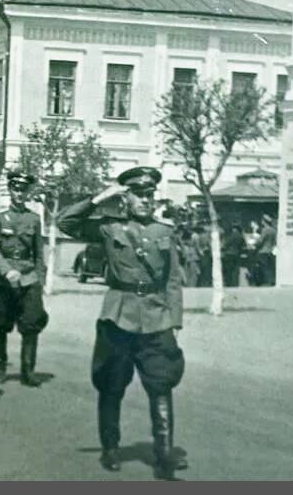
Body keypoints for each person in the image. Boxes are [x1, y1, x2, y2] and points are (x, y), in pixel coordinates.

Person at [58, 166, 186, 479]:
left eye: (149, 194)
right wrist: (100, 198)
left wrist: (175, 318)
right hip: (118, 316)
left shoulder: (164, 232)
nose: (145, 200)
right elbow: (66, 222)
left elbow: (172, 279)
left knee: (161, 383)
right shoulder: (109, 228)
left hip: (156, 316)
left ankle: (164, 453)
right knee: (111, 383)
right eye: (138, 195)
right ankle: (111, 448)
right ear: (126, 198)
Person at [0, 170, 48, 385]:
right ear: (10, 190)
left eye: (23, 190)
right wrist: (5, 270)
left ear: (28, 192)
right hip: (1, 279)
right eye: (15, 189)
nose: (19, 194)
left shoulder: (34, 218)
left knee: (32, 322)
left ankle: (28, 371)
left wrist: (40, 280)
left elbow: (38, 252)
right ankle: (0, 367)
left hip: (28, 277)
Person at [257, 214, 277, 286]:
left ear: (264, 221)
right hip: (271, 251)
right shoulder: (274, 230)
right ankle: (271, 281)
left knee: (264, 267)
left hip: (263, 251)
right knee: (270, 267)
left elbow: (260, 241)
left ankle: (266, 281)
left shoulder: (265, 230)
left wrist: (255, 243)